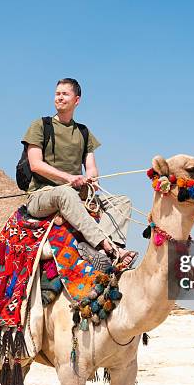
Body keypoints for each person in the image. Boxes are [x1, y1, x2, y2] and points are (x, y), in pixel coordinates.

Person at [23, 78, 137, 266]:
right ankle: (105, 246)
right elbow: (35, 164)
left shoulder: (83, 132)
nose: (59, 98)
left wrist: (91, 178)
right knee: (65, 192)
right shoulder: (40, 126)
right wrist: (68, 178)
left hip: (76, 195)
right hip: (42, 195)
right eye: (57, 93)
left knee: (122, 201)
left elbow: (91, 167)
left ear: (77, 100)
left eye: (65, 94)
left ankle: (110, 250)